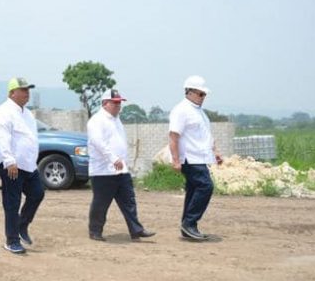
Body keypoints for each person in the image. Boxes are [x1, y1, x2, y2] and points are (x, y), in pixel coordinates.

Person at [87, 90, 155, 242]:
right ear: (105, 103)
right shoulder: (96, 121)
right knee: (101, 202)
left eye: (120, 103)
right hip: (103, 171)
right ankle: (95, 231)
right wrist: (112, 158)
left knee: (129, 200)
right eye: (115, 103)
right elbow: (98, 142)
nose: (119, 106)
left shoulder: (116, 120)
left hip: (121, 169)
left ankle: (136, 230)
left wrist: (123, 161)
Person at [0, 77, 45, 254]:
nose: (27, 93)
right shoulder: (3, 113)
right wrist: (9, 160)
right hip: (11, 165)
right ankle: (12, 240)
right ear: (12, 93)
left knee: (37, 194)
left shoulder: (27, 113)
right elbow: (2, 137)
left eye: (28, 89)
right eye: (23, 89)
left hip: (28, 165)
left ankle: (21, 225)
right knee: (12, 202)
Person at [168, 75, 223, 241]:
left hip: (200, 158)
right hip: (190, 159)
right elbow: (173, 136)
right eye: (200, 94)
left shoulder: (199, 112)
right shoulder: (181, 110)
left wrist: (215, 152)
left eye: (204, 94)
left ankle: (188, 226)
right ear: (189, 92)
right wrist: (176, 160)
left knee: (193, 191)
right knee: (206, 186)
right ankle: (189, 223)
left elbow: (205, 135)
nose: (203, 97)